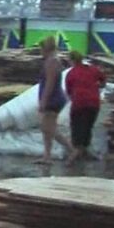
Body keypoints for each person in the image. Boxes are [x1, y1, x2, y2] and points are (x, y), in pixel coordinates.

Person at [35, 37, 75, 165]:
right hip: (53, 97)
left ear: (45, 49)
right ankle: (47, 156)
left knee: (49, 128)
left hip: (53, 99)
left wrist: (43, 101)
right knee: (46, 128)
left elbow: (50, 84)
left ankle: (71, 149)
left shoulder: (52, 62)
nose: (40, 51)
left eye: (41, 48)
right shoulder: (52, 61)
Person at [64, 50, 107, 165]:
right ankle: (85, 151)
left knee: (77, 128)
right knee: (87, 127)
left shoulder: (71, 73)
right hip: (93, 104)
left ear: (71, 60)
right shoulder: (93, 69)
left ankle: (75, 154)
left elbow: (68, 91)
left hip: (79, 104)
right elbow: (103, 79)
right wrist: (99, 86)